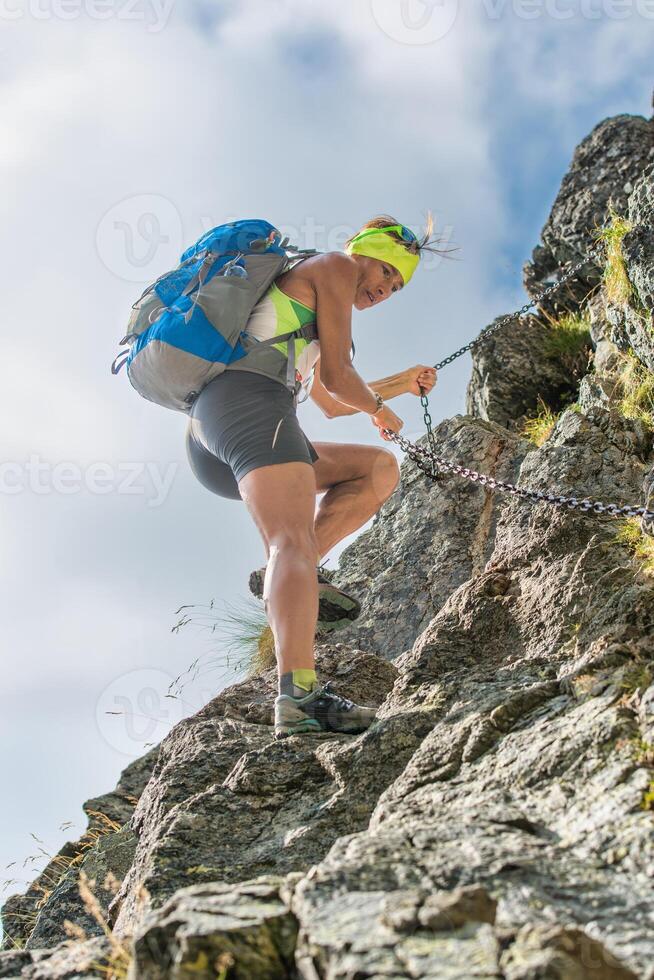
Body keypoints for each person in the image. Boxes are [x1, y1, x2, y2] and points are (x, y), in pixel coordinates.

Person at [185, 215, 445, 739]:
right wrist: (381, 409)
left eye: (397, 288)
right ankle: (299, 696)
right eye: (389, 274)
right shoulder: (333, 267)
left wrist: (399, 385)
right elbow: (339, 380)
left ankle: (295, 578)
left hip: (221, 428)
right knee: (290, 542)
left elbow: (328, 402)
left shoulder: (312, 307)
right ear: (366, 253)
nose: (386, 290)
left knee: (374, 468)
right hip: (248, 404)